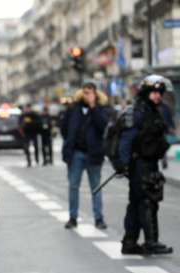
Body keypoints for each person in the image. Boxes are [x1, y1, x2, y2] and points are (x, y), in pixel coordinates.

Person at [118, 75, 173, 255]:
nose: (158, 96)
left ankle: (130, 243)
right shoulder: (138, 112)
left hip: (149, 162)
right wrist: (125, 165)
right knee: (148, 202)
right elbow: (126, 140)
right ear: (146, 93)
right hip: (140, 163)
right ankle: (151, 242)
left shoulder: (153, 110)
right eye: (154, 92)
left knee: (136, 203)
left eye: (160, 93)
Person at [61, 82, 109, 230]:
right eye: (85, 92)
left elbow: (103, 126)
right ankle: (72, 217)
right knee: (73, 186)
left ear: (95, 94)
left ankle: (99, 218)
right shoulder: (73, 109)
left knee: (96, 187)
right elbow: (63, 128)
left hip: (94, 154)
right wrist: (70, 144)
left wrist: (93, 107)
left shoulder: (101, 109)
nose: (87, 95)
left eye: (90, 93)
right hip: (76, 153)